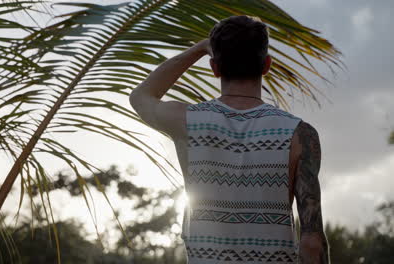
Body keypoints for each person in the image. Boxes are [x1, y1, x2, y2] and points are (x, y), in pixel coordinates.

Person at [129, 15, 329, 264]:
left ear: (214, 68)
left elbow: (141, 96)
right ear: (266, 65)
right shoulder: (299, 134)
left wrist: (200, 48)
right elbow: (312, 243)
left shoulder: (188, 122)